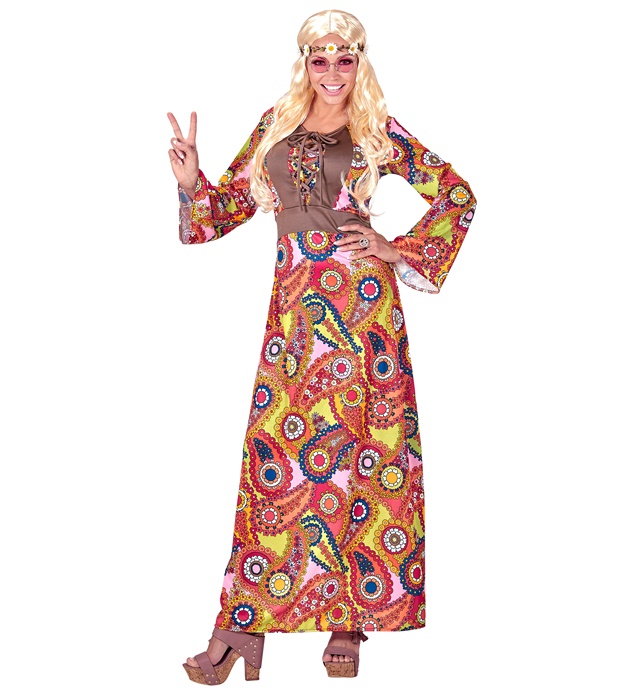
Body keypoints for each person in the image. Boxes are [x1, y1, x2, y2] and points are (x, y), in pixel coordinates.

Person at [167, 8, 476, 684]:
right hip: (294, 316)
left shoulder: (378, 129)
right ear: (304, 63)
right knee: (274, 458)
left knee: (360, 453)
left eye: (345, 57)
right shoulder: (274, 125)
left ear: (359, 61)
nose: (332, 70)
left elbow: (457, 195)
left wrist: (396, 248)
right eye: (320, 58)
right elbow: (221, 213)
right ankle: (241, 624)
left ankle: (348, 619)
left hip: (363, 311)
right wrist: (191, 183)